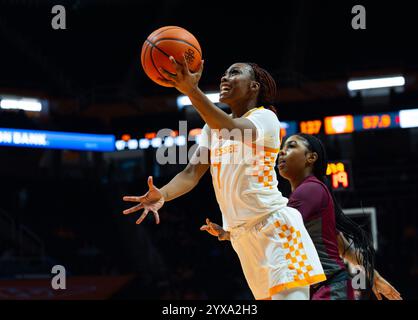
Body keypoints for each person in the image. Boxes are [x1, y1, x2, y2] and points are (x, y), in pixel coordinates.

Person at [123, 56, 326, 300]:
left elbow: (228, 126)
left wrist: (192, 90)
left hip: (277, 230)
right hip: (243, 239)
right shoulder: (212, 129)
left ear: (254, 87)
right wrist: (163, 194)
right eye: (225, 73)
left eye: (235, 73)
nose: (224, 77)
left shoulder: (265, 118)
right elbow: (191, 173)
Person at [201, 133, 402, 300]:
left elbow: (273, 232)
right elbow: (341, 245)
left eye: (291, 146)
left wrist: (233, 232)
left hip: (329, 286)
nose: (281, 152)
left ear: (311, 158)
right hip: (326, 285)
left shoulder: (309, 190)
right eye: (282, 147)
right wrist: (374, 277)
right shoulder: (309, 192)